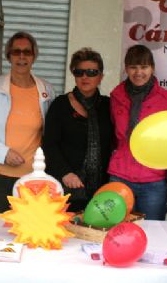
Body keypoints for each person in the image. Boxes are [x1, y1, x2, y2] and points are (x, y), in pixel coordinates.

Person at [0, 31, 55, 213]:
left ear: (34, 56)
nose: (22, 57)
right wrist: (4, 153)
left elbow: (51, 134)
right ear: (8, 56)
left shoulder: (46, 90)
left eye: (27, 52)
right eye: (16, 52)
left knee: (27, 236)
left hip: (32, 181)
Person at [107, 44, 167, 220]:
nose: (139, 72)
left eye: (144, 67)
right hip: (120, 175)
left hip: (152, 179)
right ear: (126, 68)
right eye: (133, 67)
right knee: (117, 227)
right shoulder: (116, 96)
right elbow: (114, 133)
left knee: (152, 231)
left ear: (152, 68)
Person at [43, 48, 114, 212]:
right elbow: (49, 145)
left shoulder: (109, 106)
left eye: (91, 72)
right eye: (79, 72)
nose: (85, 77)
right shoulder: (60, 105)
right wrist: (65, 173)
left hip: (101, 190)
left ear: (101, 76)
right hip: (66, 187)